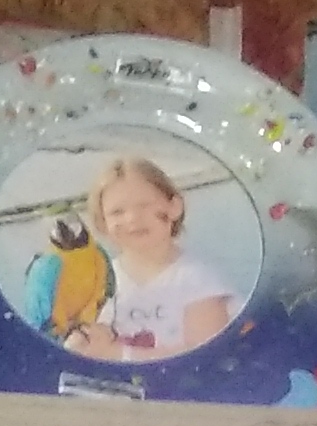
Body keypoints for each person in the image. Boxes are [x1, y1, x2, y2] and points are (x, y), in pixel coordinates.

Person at [64, 154, 234, 364]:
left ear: (174, 207)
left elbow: (206, 358)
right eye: (117, 212)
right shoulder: (101, 281)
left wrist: (119, 354)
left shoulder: (197, 280)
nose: (132, 218)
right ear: (102, 223)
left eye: (144, 205)